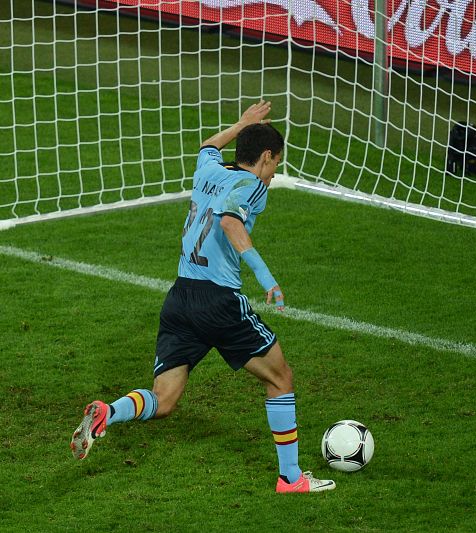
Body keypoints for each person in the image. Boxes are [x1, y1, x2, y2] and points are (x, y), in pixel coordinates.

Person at [71, 100, 335, 494]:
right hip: (219, 302)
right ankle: (291, 478)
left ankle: (109, 412)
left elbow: (208, 144)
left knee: (164, 399)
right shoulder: (252, 185)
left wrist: (242, 123)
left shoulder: (209, 169)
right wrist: (267, 278)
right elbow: (230, 222)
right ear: (266, 156)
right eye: (276, 161)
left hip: (180, 298)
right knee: (281, 379)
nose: (275, 170)